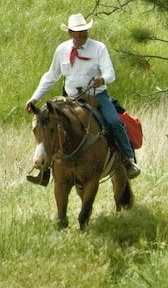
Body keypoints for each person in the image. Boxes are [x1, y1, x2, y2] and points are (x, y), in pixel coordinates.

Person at [26, 13, 140, 180]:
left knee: (114, 121)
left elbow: (110, 73)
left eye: (84, 30)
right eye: (78, 31)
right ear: (70, 33)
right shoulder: (62, 50)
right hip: (69, 98)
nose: (82, 34)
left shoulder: (99, 48)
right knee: (47, 124)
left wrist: (102, 79)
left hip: (96, 95)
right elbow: (52, 76)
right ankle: (44, 170)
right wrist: (34, 98)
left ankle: (128, 159)